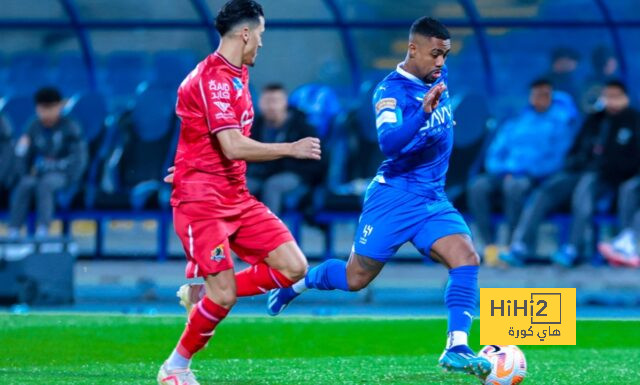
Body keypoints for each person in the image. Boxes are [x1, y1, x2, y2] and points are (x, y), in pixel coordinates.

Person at [266, 16, 491, 379]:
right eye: (435, 54)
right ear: (412, 48)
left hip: (432, 197)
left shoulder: (437, 79)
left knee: (466, 257)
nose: (440, 63)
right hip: (394, 197)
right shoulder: (390, 92)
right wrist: (424, 113)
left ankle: (457, 347)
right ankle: (297, 284)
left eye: (445, 56)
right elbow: (388, 143)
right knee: (356, 278)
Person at [157, 1, 321, 384]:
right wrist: (290, 148)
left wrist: (188, 160)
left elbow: (201, 135)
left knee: (294, 267)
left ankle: (201, 292)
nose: (262, 44)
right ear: (246, 33)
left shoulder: (238, 74)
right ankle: (175, 368)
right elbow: (232, 144)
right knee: (225, 296)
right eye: (260, 35)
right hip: (202, 203)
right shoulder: (212, 78)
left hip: (235, 194)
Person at [501, 80, 640, 267]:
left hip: (608, 179)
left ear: (625, 98)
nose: (611, 101)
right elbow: (575, 150)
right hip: (580, 172)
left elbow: (631, 160)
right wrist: (575, 164)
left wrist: (602, 166)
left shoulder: (632, 120)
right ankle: (520, 245)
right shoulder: (594, 119)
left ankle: (573, 248)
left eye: (616, 97)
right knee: (547, 190)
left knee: (586, 188)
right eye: (608, 96)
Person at [467, 79, 578, 264]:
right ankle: (489, 245)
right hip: (504, 173)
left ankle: (513, 245)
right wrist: (502, 170)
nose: (540, 98)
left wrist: (525, 171)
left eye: (544, 94)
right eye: (536, 94)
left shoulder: (560, 124)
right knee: (477, 186)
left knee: (515, 187)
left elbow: (557, 159)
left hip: (534, 177)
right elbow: (495, 152)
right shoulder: (517, 121)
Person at [7, 87, 87, 238]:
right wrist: (23, 167)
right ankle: (14, 231)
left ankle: (43, 230)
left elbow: (79, 158)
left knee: (46, 185)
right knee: (25, 184)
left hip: (62, 175)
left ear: (59, 107)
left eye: (50, 109)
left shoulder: (70, 127)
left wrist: (71, 179)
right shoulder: (33, 126)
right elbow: (22, 157)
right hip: (40, 173)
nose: (46, 114)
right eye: (42, 109)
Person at [247, 83, 325, 215]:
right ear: (260, 103)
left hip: (296, 173)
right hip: (261, 173)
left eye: (275, 101)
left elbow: (317, 160)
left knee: (273, 185)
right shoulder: (255, 126)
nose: (271, 106)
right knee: (240, 185)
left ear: (285, 103)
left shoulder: (302, 126)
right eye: (267, 101)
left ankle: (272, 233)